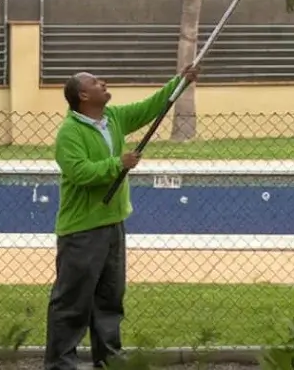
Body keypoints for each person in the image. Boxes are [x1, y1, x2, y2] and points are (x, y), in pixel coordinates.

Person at [44, 65, 198, 370]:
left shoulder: (113, 119)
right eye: (96, 81)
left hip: (113, 223)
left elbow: (151, 107)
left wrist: (180, 81)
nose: (104, 82)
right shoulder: (69, 133)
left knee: (110, 297)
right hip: (81, 229)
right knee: (73, 298)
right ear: (83, 95)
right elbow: (80, 173)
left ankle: (109, 356)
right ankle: (60, 361)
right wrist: (118, 164)